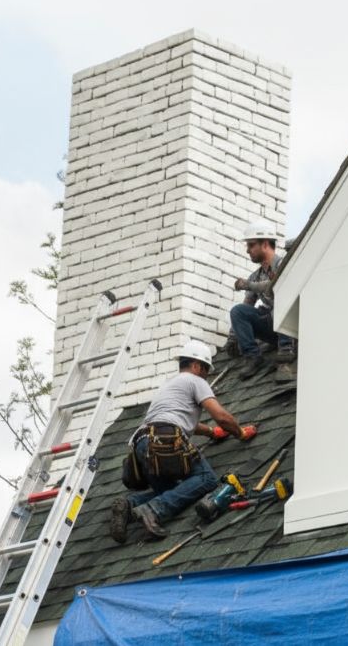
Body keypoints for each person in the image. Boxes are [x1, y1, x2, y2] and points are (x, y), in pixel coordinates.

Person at [110, 340, 256, 543]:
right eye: (205, 369)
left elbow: (183, 419)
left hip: (141, 444)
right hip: (164, 438)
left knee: (171, 491)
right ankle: (153, 510)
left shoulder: (169, 385)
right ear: (196, 365)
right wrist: (240, 433)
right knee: (206, 478)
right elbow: (221, 416)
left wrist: (212, 433)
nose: (206, 375)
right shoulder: (196, 381)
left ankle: (130, 504)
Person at [229, 221, 295, 378]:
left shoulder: (284, 264)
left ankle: (286, 348)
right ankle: (252, 357)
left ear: (265, 244)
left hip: (292, 325)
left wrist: (248, 285)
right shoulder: (256, 276)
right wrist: (232, 337)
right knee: (238, 311)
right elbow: (247, 304)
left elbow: (274, 285)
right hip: (273, 326)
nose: (247, 250)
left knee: (282, 294)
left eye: (251, 245)